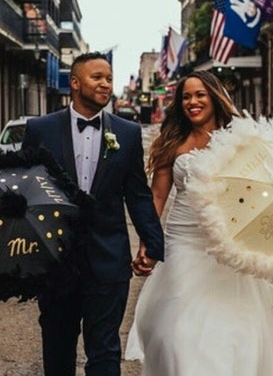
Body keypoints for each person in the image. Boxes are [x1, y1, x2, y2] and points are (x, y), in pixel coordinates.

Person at [125, 71, 273, 375]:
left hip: (227, 246)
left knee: (229, 331)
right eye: (186, 96)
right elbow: (157, 198)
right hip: (182, 244)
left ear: (214, 97)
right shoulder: (172, 142)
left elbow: (263, 190)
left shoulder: (242, 140)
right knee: (173, 332)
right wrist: (148, 244)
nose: (193, 102)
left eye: (200, 95)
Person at [21, 52, 165, 376]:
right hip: (56, 262)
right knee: (57, 349)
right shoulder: (40, 129)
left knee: (104, 353)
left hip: (108, 262)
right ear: (75, 83)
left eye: (109, 78)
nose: (105, 84)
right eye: (96, 77)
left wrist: (152, 244)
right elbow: (24, 190)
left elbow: (138, 195)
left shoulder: (126, 134)